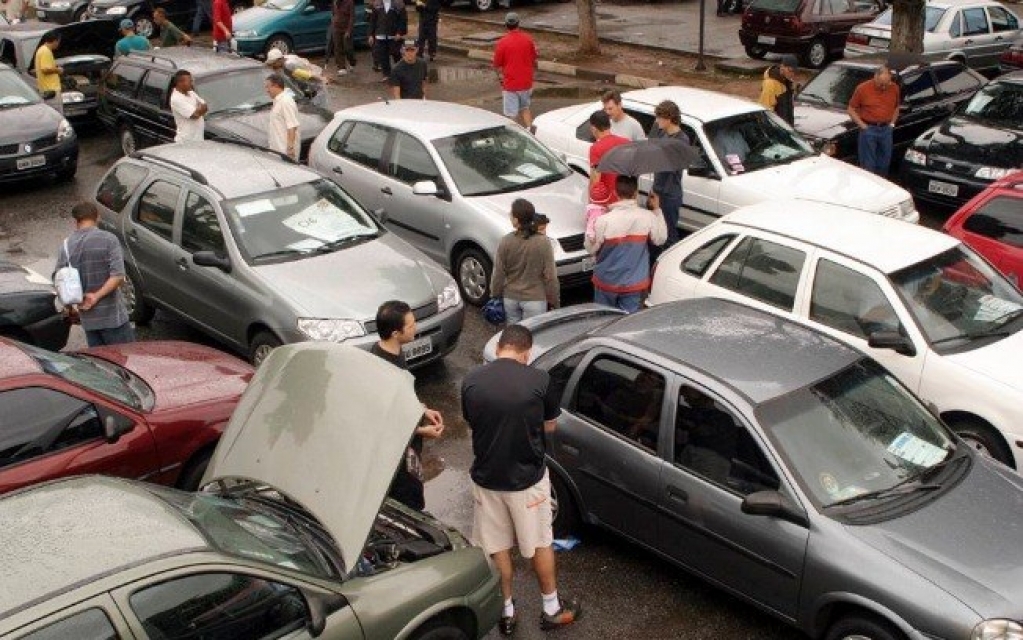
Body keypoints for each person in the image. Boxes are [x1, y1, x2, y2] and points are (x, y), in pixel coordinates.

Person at [461, 324, 581, 636]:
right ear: (526, 353)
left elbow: (472, 421)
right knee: (540, 543)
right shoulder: (539, 380)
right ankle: (551, 609)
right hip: (527, 482)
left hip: (486, 480)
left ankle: (507, 611)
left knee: (497, 547)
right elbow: (551, 426)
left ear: (501, 347)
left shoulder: (471, 380)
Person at [371, 300, 445, 510]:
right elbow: (383, 421)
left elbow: (400, 400)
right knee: (410, 502)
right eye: (411, 326)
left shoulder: (394, 352)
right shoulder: (382, 369)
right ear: (395, 333)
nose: (416, 328)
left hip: (410, 445)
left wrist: (422, 410)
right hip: (399, 454)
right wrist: (422, 431)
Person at [54, 202, 134, 347]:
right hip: (113, 319)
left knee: (102, 364)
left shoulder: (66, 246)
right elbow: (118, 276)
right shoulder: (109, 239)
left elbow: (60, 282)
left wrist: (70, 308)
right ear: (97, 217)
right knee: (126, 362)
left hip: (89, 321)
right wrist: (96, 296)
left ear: (76, 221)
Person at [585, 175, 668, 313]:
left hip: (606, 281)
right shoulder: (647, 217)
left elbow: (590, 247)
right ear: (636, 193)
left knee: (602, 322)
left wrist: (590, 221)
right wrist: (656, 210)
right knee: (627, 325)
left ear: (615, 193)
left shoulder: (603, 220)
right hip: (634, 284)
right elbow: (660, 239)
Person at [490, 198, 559, 324]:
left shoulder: (506, 241)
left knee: (514, 335)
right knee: (534, 335)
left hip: (511, 297)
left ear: (516, 220)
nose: (510, 216)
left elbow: (498, 273)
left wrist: (495, 294)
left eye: (511, 214)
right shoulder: (543, 242)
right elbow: (551, 276)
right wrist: (554, 301)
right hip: (535, 299)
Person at [847, 64, 900, 176]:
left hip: (886, 130)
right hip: (869, 129)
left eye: (887, 84)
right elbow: (851, 109)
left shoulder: (894, 88)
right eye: (881, 84)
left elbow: (896, 107)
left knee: (884, 164)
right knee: (868, 166)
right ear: (875, 76)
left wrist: (892, 124)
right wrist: (863, 126)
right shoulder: (862, 88)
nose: (884, 87)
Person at [648, 99, 687, 246]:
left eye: (659, 117)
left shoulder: (681, 140)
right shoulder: (663, 134)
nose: (657, 121)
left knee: (669, 234)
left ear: (668, 119)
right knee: (656, 231)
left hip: (669, 195)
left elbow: (670, 166)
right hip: (658, 190)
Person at [493, 12, 537, 131]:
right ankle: (529, 128)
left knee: (511, 114)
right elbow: (534, 58)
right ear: (518, 24)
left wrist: (501, 80)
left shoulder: (503, 42)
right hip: (526, 83)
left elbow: (496, 64)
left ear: (506, 25)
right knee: (525, 107)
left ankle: (515, 135)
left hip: (511, 84)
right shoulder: (528, 39)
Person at [588, 110, 629, 205]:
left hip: (607, 201)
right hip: (625, 199)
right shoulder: (626, 142)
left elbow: (595, 180)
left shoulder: (595, 148)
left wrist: (591, 204)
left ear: (594, 128)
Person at [266, 73, 300, 161]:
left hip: (284, 154)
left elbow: (292, 126)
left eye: (268, 87)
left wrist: (290, 149)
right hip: (277, 152)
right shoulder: (278, 101)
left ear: (276, 86)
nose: (267, 90)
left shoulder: (286, 101)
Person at [368, 0, 407, 77]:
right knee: (383, 56)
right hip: (380, 35)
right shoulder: (377, 4)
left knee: (397, 55)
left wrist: (399, 33)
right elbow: (373, 21)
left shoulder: (399, 4)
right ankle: (386, 75)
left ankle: (400, 74)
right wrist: (370, 35)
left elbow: (403, 20)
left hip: (394, 36)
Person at [759, 54, 797, 126]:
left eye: (794, 72)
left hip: (786, 127)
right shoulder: (770, 84)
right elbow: (766, 110)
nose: (792, 74)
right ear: (782, 67)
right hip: (777, 128)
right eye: (790, 70)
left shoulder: (787, 81)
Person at [169, 70, 207, 142]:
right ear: (180, 83)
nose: (192, 84)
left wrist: (199, 109)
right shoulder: (176, 99)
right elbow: (195, 115)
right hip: (186, 142)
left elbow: (205, 106)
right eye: (189, 81)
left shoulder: (191, 93)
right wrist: (199, 109)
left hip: (197, 140)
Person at [34, 32, 63, 115]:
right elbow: (45, 69)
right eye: (58, 42)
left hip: (47, 90)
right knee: (57, 116)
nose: (58, 44)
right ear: (55, 41)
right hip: (51, 91)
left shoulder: (42, 50)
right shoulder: (45, 51)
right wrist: (58, 70)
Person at [331, 0, 356, 76]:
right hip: (336, 28)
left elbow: (352, 17)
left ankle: (352, 62)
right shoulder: (334, 2)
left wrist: (348, 31)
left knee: (348, 48)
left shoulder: (350, 2)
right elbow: (333, 14)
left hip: (346, 28)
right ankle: (342, 68)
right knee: (338, 47)